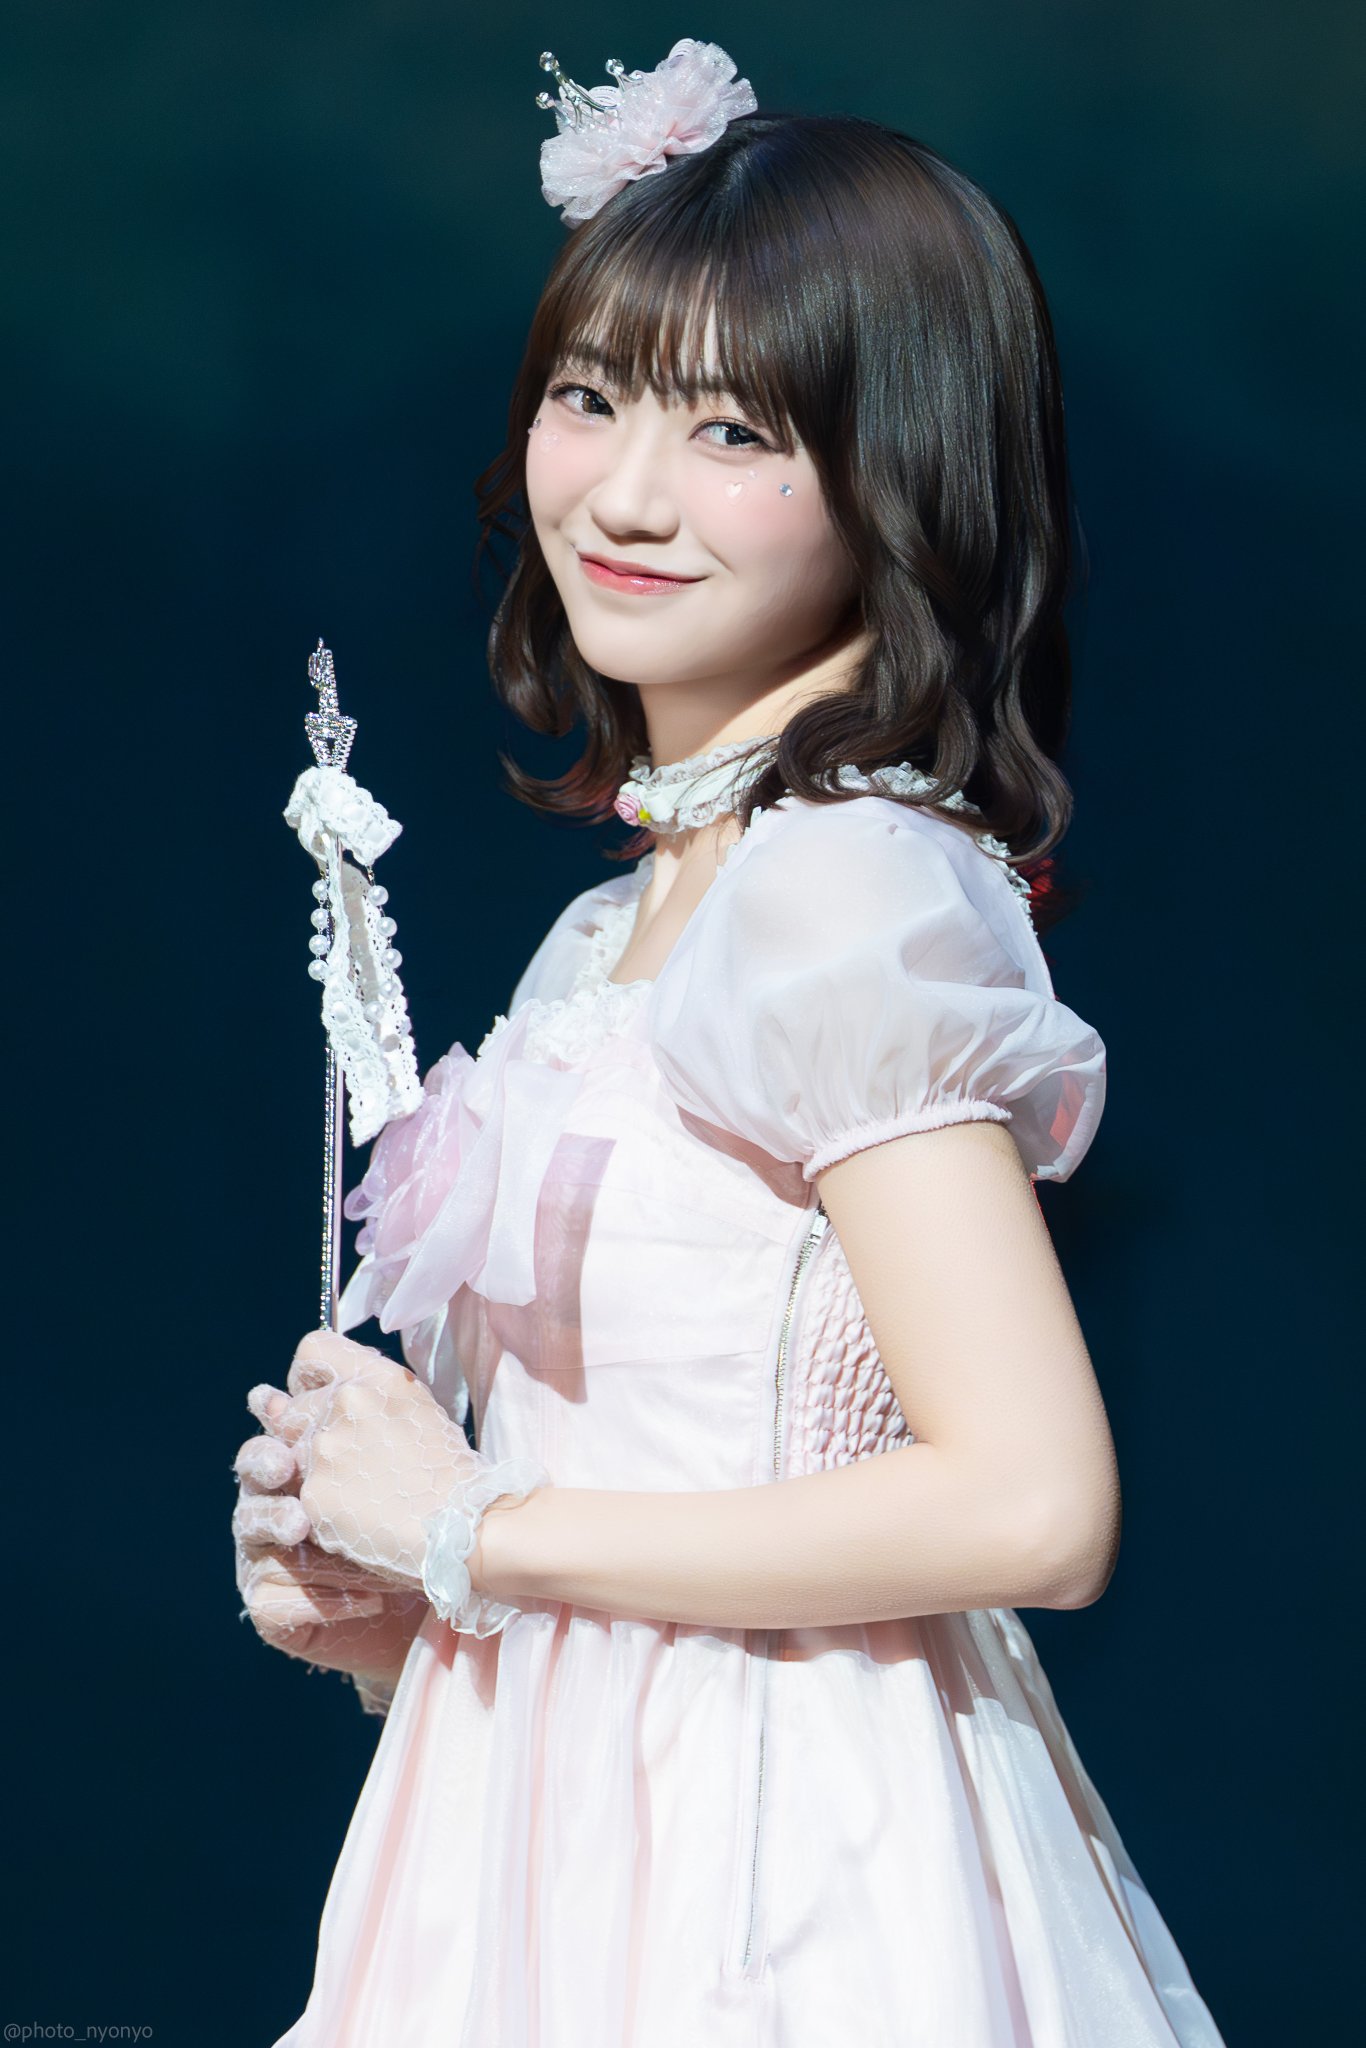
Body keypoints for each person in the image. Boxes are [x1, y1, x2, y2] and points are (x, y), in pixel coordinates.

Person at [232, 40, 1228, 2047]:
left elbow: (1031, 1501)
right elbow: (626, 1506)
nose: (621, 492)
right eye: (590, 398)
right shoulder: (611, 929)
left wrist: (474, 1528)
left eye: (730, 430)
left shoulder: (843, 886)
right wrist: (392, 1591)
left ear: (897, 468)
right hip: (543, 1854)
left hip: (783, 1872)